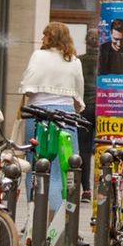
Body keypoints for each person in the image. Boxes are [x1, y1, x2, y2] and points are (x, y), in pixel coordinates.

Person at [17, 22, 85, 216]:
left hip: (38, 114)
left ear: (50, 37)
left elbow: (28, 88)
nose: (41, 39)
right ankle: (61, 216)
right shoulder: (74, 60)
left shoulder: (39, 56)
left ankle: (36, 216)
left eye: (44, 35)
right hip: (66, 115)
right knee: (64, 167)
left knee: (36, 164)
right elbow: (78, 95)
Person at [77, 29, 99, 200]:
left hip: (84, 107)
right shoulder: (106, 61)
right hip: (103, 107)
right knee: (104, 146)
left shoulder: (80, 61)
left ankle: (86, 189)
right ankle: (104, 185)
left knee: (84, 149)